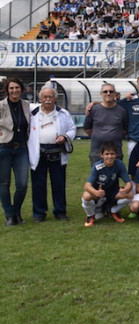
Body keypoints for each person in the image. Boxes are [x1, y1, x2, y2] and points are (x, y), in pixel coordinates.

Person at [28, 86, 76, 222]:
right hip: (38, 152)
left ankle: (60, 211)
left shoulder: (63, 113)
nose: (48, 99)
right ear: (40, 98)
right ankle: (39, 213)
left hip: (57, 151)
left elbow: (72, 129)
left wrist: (65, 136)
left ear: (55, 98)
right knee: (38, 184)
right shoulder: (33, 113)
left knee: (59, 183)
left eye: (50, 97)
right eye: (45, 97)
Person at [0, 77, 31, 225]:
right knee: (4, 183)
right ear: (7, 90)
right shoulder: (1, 106)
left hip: (21, 149)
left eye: (17, 88)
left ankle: (17, 212)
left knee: (22, 184)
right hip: (4, 147)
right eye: (11, 88)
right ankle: (9, 215)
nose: (14, 91)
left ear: (21, 89)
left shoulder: (26, 105)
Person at [81, 142, 133, 227]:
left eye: (112, 154)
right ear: (102, 155)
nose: (109, 156)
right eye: (107, 154)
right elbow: (87, 186)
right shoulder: (97, 166)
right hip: (99, 193)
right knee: (86, 196)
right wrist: (96, 192)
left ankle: (113, 211)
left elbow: (129, 183)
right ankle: (90, 215)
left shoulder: (119, 164)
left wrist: (125, 190)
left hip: (112, 192)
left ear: (116, 155)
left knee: (130, 194)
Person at [83, 82, 127, 165]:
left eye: (111, 91)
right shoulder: (93, 110)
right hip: (97, 152)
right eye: (105, 91)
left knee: (114, 177)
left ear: (115, 94)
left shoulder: (122, 111)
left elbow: (125, 129)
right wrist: (98, 135)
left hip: (116, 152)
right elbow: (87, 128)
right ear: (101, 94)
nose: (108, 93)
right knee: (97, 177)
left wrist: (113, 135)